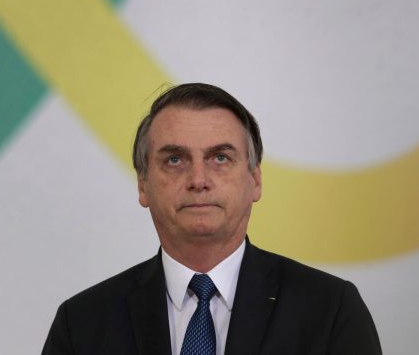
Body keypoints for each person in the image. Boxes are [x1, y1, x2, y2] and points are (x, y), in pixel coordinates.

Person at [41, 83, 381, 355]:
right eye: (175, 160)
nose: (198, 179)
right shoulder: (82, 323)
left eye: (220, 158)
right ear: (143, 184)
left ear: (255, 180)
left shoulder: (330, 310)